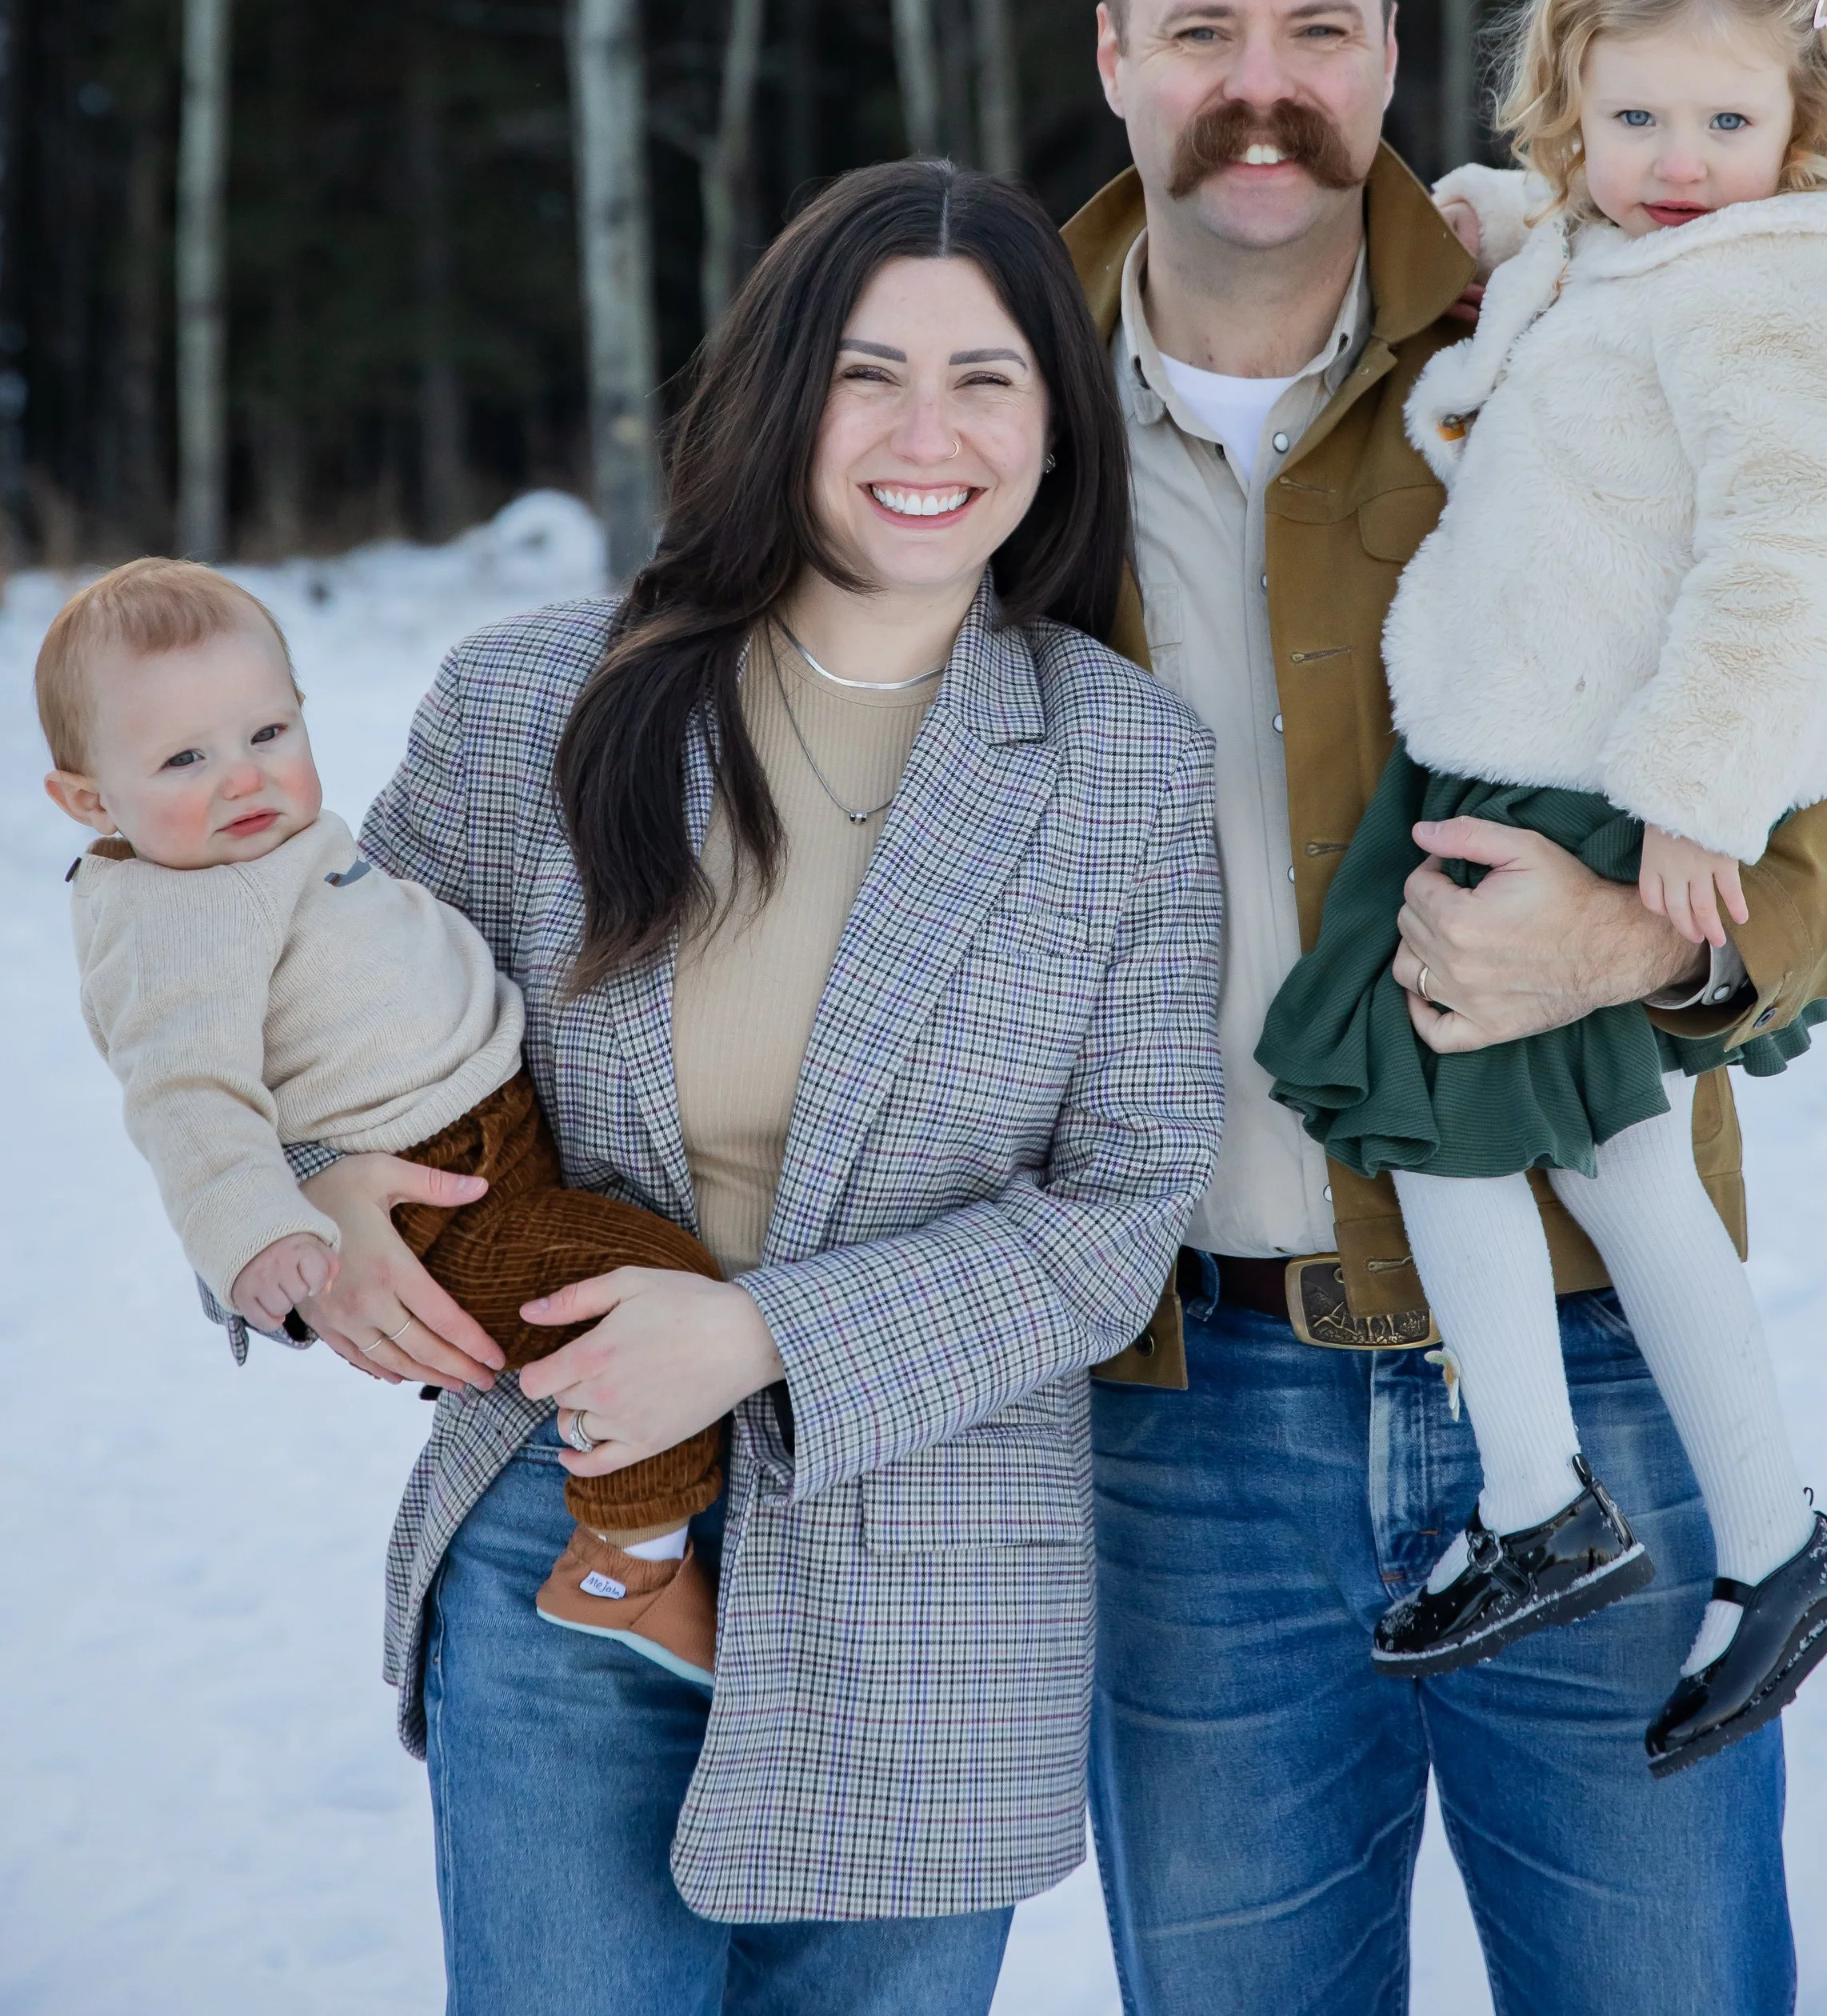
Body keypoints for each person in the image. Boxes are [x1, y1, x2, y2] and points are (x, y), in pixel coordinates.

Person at [1063, 0, 1827, 2016]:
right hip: (1193, 1411)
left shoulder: (1601, 293)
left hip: (1596, 1347)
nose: (1255, 78)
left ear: (1386, 53)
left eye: (1312, 23)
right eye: (1200, 27)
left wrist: (1667, 929)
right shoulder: (985, 398)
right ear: (1112, 53)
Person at [269, 159, 1225, 2015]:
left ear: (1054, 425)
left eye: (986, 378)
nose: (923, 434)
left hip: (932, 1585)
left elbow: (1117, 1213)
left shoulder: (1121, 768)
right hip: (561, 1533)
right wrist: (315, 1189)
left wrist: (757, 1337)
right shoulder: (531, 701)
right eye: (868, 374)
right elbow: (327, 1015)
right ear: (784, 395)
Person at [1256, 0, 1827, 1771]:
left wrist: (1695, 798)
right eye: (1629, 114)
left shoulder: (1786, 286)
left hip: (1590, 779)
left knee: (1449, 1119)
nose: (1675, 154)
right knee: (1600, 1159)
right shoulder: (1627, 239)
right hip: (1522, 743)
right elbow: (1553, 255)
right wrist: (1474, 211)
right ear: (1570, 97)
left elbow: (1788, 552)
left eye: (1724, 117)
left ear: (1805, 110)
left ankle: (1550, 1503)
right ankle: (1768, 1540)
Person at [41, 558, 730, 1686]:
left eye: (266, 730)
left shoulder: (264, 847)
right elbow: (185, 1096)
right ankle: (629, 1559)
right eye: (183, 758)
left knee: (616, 1288)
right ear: (89, 798)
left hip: (483, 1132)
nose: (243, 777)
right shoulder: (179, 912)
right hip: (436, 1194)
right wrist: (263, 1235)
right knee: (636, 1283)